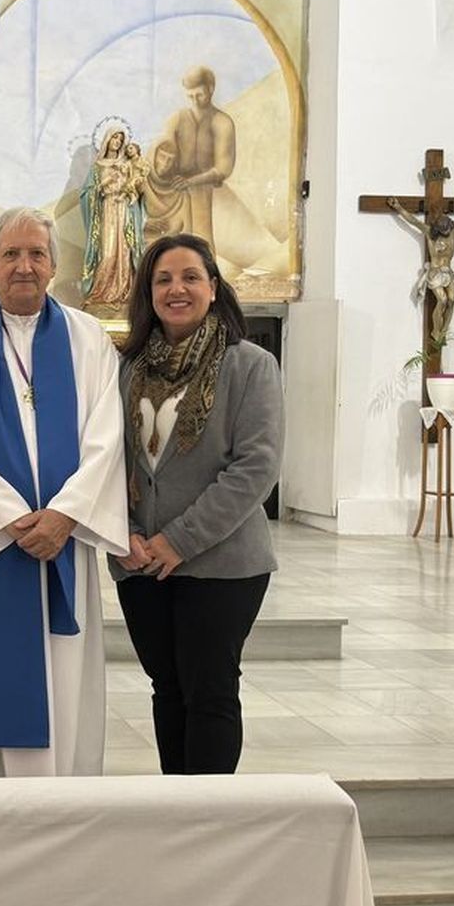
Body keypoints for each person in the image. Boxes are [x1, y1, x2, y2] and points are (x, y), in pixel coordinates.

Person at [0, 207, 128, 777]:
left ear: (54, 266)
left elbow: (106, 438)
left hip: (62, 542)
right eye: (11, 255)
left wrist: (63, 516)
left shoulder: (88, 339)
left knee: (65, 683)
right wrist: (11, 519)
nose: (24, 267)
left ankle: (61, 799)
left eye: (36, 254)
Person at [112, 232, 282, 774]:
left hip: (223, 565)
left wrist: (176, 541)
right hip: (140, 564)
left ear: (213, 288)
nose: (176, 289)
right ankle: (177, 810)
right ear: (148, 292)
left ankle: (212, 819)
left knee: (209, 692)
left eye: (190, 277)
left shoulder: (249, 365)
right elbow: (108, 458)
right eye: (163, 279)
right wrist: (125, 533)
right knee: (167, 688)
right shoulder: (127, 367)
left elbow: (256, 468)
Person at [386, 195, 454, 346]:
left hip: (448, 273)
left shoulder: (452, 234)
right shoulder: (429, 233)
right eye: (443, 231)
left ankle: (443, 332)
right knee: (442, 300)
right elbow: (413, 221)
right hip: (434, 274)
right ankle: (435, 331)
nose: (446, 234)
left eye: (448, 231)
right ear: (438, 229)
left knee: (452, 301)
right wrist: (398, 207)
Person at [160, 66, 235, 251]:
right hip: (174, 189)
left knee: (203, 242)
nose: (194, 100)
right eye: (190, 96)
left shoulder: (222, 122)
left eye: (199, 95)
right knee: (173, 242)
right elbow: (162, 153)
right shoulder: (176, 119)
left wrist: (191, 181)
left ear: (211, 89)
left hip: (203, 188)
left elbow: (223, 168)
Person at [79, 128, 141, 312]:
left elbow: (137, 187)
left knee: (124, 253)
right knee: (106, 253)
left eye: (120, 139)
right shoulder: (97, 166)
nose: (117, 141)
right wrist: (105, 183)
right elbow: (87, 193)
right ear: (107, 140)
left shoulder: (127, 164)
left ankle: (125, 295)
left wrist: (132, 189)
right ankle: (101, 295)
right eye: (114, 137)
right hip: (106, 210)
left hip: (124, 210)